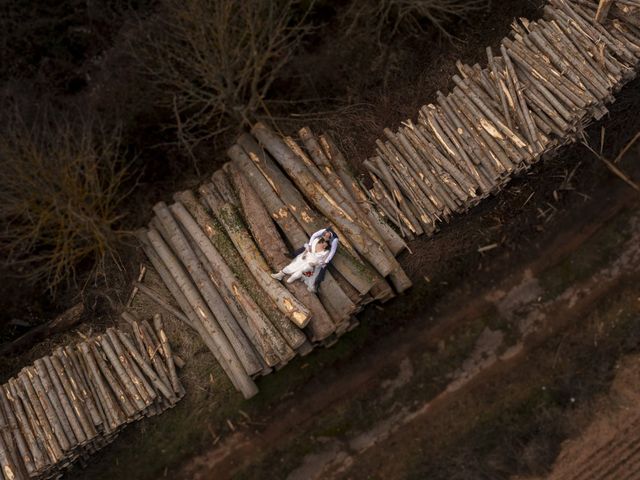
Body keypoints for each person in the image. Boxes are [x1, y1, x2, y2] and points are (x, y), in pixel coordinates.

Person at [288, 227, 339, 293]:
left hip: (327, 249)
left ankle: (317, 282)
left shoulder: (335, 240)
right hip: (320, 244)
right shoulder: (324, 230)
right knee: (307, 247)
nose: (324, 237)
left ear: (329, 237)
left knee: (323, 266)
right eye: (324, 235)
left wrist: (326, 260)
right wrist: (310, 245)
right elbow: (314, 235)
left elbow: (332, 251)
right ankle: (293, 255)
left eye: (326, 237)